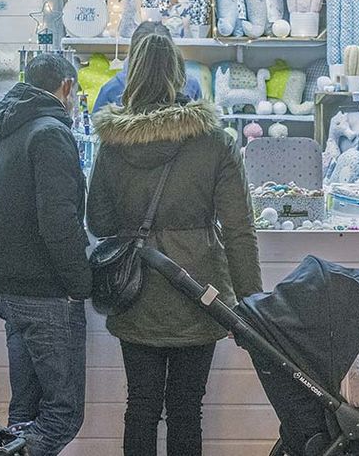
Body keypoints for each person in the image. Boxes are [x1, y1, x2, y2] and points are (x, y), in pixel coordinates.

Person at [87, 32, 263, 456]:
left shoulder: (113, 144)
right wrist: (253, 301)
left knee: (141, 406)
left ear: (132, 76)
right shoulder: (215, 141)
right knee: (187, 409)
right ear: (180, 76)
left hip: (136, 292)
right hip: (200, 292)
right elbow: (239, 228)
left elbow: (98, 221)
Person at [0, 53, 91, 456]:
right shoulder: (51, 135)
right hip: (49, 294)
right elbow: (59, 222)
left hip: (8, 291)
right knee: (62, 414)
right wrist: (81, 283)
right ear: (67, 87)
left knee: (24, 411)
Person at [93, 21, 203, 113]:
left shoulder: (112, 88)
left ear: (132, 52)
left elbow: (96, 134)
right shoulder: (191, 84)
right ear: (171, 51)